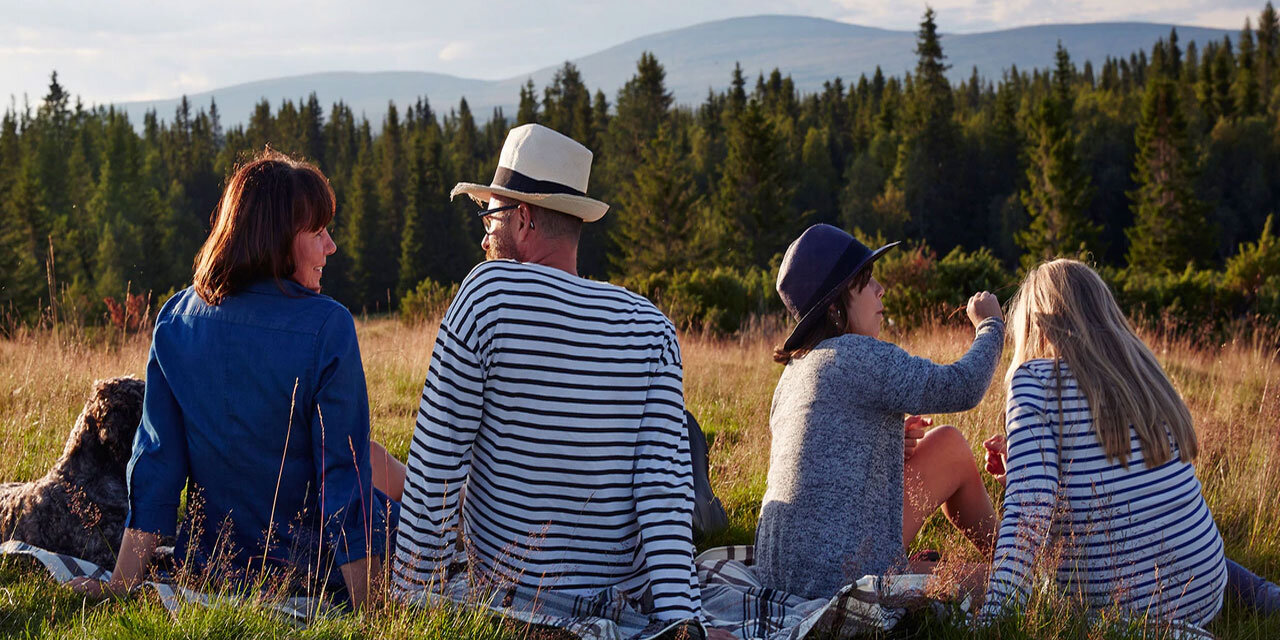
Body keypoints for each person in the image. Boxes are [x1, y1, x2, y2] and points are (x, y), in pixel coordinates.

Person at [390, 125, 703, 626]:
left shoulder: (487, 295)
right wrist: (683, 622)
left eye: (491, 215)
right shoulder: (651, 327)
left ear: (525, 218)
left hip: (514, 605)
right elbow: (664, 492)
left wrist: (411, 602)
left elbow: (436, 469)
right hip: (619, 606)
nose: (485, 231)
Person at [70, 150, 403, 610]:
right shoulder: (329, 326)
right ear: (280, 238)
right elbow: (343, 474)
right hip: (310, 571)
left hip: (211, 565)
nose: (332, 247)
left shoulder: (175, 319)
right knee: (410, 514)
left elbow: (157, 465)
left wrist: (122, 583)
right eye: (319, 232)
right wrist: (373, 610)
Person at [754, 223, 1004, 600]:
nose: (880, 289)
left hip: (782, 569)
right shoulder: (859, 355)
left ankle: (1012, 560)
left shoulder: (794, 373)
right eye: (866, 280)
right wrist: (990, 325)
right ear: (836, 307)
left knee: (948, 445)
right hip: (841, 578)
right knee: (1010, 588)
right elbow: (963, 386)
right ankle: (1023, 568)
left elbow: (820, 465)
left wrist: (887, 444)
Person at [979, 258, 1226, 625]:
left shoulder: (1035, 381)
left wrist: (991, 622)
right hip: (1207, 590)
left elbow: (1028, 519)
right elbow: (1124, 483)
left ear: (1037, 324)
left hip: (1121, 615)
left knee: (979, 580)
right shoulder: (1141, 374)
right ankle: (1266, 595)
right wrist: (1020, 469)